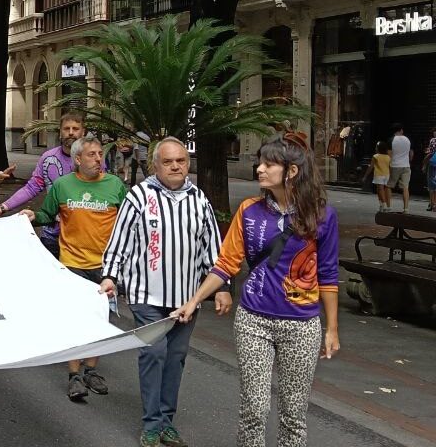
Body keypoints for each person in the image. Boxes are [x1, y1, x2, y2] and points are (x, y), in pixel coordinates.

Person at [171, 132, 339, 447]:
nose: (259, 169)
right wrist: (193, 301)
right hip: (253, 321)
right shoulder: (249, 210)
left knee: (294, 414)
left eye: (268, 164)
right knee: (255, 409)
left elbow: (328, 275)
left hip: (302, 325)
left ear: (291, 171)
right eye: (259, 163)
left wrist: (332, 329)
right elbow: (225, 264)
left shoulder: (321, 215)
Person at [100, 137, 227, 447]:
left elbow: (212, 249)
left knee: (176, 358)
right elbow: (120, 241)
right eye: (168, 161)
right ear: (155, 165)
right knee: (153, 354)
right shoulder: (139, 197)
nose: (175, 166)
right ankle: (152, 423)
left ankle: (166, 420)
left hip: (187, 298)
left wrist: (221, 288)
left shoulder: (199, 199)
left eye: (180, 161)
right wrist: (110, 276)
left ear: (187, 163)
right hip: (147, 295)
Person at [15, 135, 127, 402]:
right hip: (72, 264)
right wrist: (33, 216)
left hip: (105, 267)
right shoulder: (63, 186)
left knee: (101, 322)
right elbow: (47, 214)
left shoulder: (115, 185)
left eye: (100, 154)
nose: (99, 159)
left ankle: (91, 371)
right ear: (77, 159)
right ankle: (74, 376)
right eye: (92, 155)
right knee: (76, 320)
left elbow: (127, 223)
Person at [0, 112, 89, 257]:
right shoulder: (48, 158)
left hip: (83, 238)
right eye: (66, 128)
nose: (70, 133)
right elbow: (32, 187)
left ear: (83, 132)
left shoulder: (94, 159)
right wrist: (3, 207)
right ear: (60, 131)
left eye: (75, 129)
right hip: (52, 235)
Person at [388, 123, 413, 212]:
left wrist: (388, 166)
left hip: (395, 165)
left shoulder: (391, 140)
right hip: (406, 166)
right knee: (405, 187)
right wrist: (409, 161)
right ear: (401, 130)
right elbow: (411, 153)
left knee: (389, 186)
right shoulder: (407, 139)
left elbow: (389, 155)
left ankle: (389, 207)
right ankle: (406, 208)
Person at [372, 140, 392, 212]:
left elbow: (371, 167)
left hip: (379, 175)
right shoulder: (388, 157)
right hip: (387, 175)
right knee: (384, 190)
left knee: (380, 190)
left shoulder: (375, 156)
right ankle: (383, 204)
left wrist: (365, 176)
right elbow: (390, 166)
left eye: (376, 147)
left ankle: (383, 204)